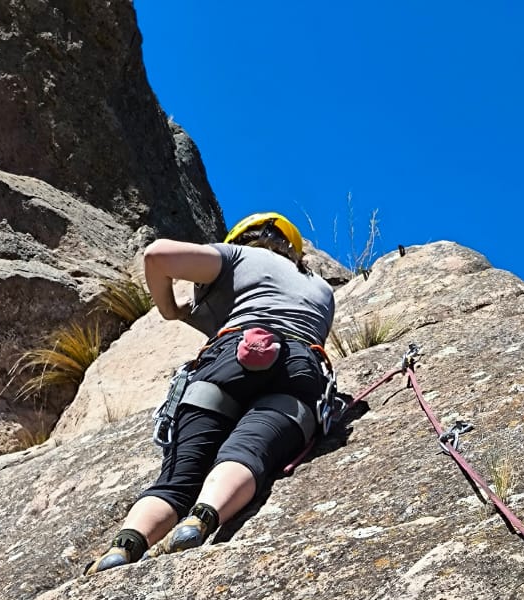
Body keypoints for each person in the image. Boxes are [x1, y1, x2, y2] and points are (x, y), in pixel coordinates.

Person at [86, 212, 336, 574]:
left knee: (178, 477)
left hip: (229, 358)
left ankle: (126, 545)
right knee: (251, 448)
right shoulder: (321, 289)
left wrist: (171, 311)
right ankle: (202, 518)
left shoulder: (238, 257)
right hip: (299, 366)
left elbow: (156, 256)